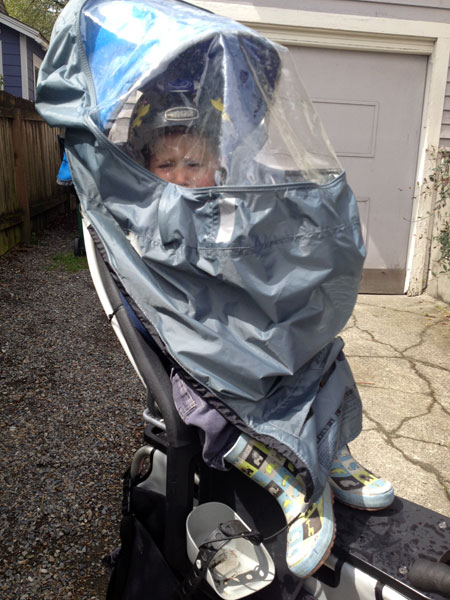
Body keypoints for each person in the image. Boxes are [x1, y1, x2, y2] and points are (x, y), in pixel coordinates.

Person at [143, 107, 395, 580]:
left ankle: (332, 449)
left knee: (320, 349)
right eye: (165, 165)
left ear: (218, 167)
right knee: (201, 398)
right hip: (206, 343)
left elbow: (270, 262)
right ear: (147, 171)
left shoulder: (236, 207)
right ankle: (295, 483)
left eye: (194, 164)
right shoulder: (151, 222)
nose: (180, 176)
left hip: (261, 327)